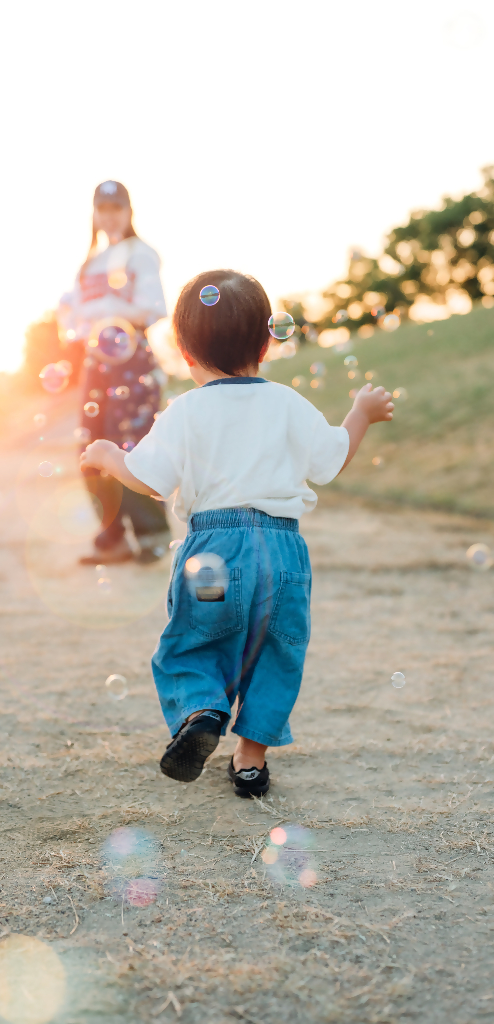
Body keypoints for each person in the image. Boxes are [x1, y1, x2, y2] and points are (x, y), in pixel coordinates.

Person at [79, 269, 394, 797]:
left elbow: (151, 481)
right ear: (267, 344)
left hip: (214, 548)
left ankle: (202, 710)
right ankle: (250, 761)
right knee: (278, 651)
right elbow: (331, 459)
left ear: (184, 353)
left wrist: (112, 458)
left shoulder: (185, 410)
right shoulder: (288, 402)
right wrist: (360, 413)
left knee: (194, 643)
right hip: (283, 549)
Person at [58, 180, 171, 565]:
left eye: (116, 208)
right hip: (96, 363)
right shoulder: (88, 264)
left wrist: (106, 308)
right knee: (91, 445)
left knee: (134, 444)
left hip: (131, 359)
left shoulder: (141, 254)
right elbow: (73, 323)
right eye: (102, 209)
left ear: (128, 211)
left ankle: (152, 535)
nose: (109, 216)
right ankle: (112, 538)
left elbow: (154, 309)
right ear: (94, 213)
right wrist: (70, 317)